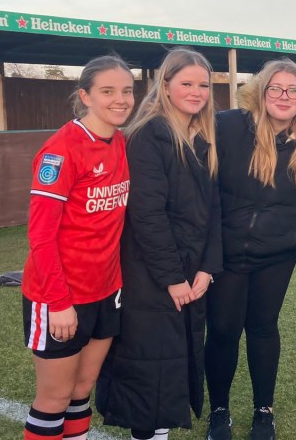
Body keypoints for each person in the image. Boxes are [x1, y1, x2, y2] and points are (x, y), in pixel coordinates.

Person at [205, 59, 296, 440]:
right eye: (276, 89)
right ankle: (219, 410)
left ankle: (263, 410)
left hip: (276, 255)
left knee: (263, 329)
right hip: (226, 254)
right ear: (261, 92)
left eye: (293, 90)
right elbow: (203, 181)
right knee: (222, 331)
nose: (285, 97)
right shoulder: (229, 127)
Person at [96, 48, 222, 440]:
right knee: (150, 370)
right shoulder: (150, 135)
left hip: (190, 272)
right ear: (165, 86)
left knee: (173, 367)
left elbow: (213, 209)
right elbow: (147, 216)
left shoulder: (202, 137)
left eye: (203, 84)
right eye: (187, 83)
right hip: (152, 277)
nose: (196, 91)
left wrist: (207, 267)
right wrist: (172, 277)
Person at [21, 55, 134, 440]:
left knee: (81, 391)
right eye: (107, 91)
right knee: (54, 398)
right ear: (85, 95)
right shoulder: (61, 150)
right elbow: (40, 236)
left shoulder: (121, 141)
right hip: (60, 296)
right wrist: (57, 302)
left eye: (126, 91)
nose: (119, 99)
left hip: (106, 292)